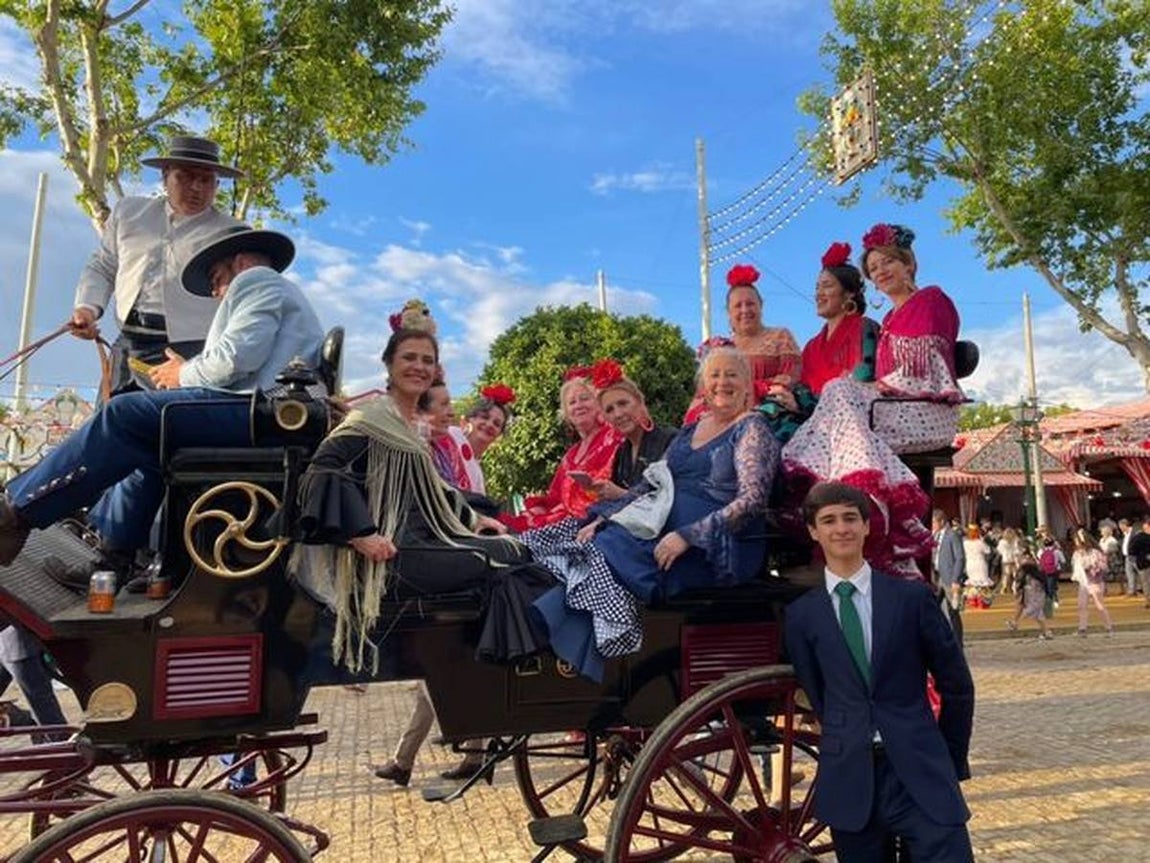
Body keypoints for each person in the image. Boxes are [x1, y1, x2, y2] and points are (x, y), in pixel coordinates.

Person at [0, 226, 323, 573]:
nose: (216, 293)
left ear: (241, 262)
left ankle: (15, 513)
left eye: (216, 280)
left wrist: (180, 375)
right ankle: (111, 562)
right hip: (265, 413)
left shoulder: (255, 279)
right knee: (148, 442)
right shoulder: (278, 292)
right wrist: (187, 372)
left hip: (260, 412)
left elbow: (235, 359)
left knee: (123, 414)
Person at [529, 347, 779, 682]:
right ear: (703, 387)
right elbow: (652, 484)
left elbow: (752, 500)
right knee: (578, 529)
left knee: (601, 549)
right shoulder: (691, 430)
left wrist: (687, 535)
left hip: (715, 547)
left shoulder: (750, 428)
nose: (722, 382)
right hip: (659, 528)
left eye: (731, 374)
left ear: (748, 385)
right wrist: (607, 516)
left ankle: (584, 640)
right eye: (714, 375)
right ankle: (543, 616)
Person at [785, 482, 975, 863]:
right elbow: (818, 694)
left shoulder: (911, 598)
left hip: (921, 773)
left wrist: (948, 758)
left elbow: (956, 685)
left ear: (867, 526)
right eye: (829, 520)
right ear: (813, 531)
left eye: (851, 518)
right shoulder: (801, 616)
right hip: (850, 778)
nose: (841, 529)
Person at [782, 224, 964, 579]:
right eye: (874, 267)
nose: (880, 272)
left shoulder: (930, 299)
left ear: (908, 263)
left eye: (887, 263)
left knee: (839, 390)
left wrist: (871, 388)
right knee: (837, 397)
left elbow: (921, 369)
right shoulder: (890, 319)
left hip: (925, 408)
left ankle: (867, 497)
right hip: (890, 409)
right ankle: (837, 497)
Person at [70, 135, 245, 396]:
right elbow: (104, 266)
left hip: (186, 352)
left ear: (217, 184)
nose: (196, 187)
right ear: (165, 176)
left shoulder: (234, 233)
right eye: (185, 176)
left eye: (206, 180)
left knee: (168, 428)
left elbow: (243, 294)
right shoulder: (128, 213)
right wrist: (86, 309)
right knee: (109, 426)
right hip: (126, 344)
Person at [766, 242, 880, 441]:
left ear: (849, 293)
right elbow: (799, 386)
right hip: (809, 418)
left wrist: (804, 404)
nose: (818, 293)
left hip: (848, 423)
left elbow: (861, 383)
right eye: (817, 287)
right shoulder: (812, 345)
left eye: (827, 286)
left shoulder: (865, 328)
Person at [683, 263, 801, 423]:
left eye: (750, 304)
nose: (745, 310)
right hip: (720, 419)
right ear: (729, 312)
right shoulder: (719, 348)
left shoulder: (780, 336)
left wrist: (746, 394)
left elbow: (789, 379)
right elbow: (704, 393)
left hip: (769, 416)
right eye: (738, 306)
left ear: (761, 306)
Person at [509, 369, 623, 531]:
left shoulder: (614, 436)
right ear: (567, 413)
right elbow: (555, 498)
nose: (579, 405)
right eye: (572, 402)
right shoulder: (570, 456)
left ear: (599, 404)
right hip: (567, 521)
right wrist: (537, 510)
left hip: (601, 521)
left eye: (585, 398)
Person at [581, 359, 677, 502]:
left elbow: (671, 499)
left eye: (623, 403)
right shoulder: (621, 453)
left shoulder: (670, 440)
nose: (618, 414)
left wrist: (622, 494)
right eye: (610, 410)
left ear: (640, 403)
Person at [447, 384, 516, 495]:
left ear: (499, 435)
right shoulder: (450, 435)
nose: (489, 424)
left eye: (497, 424)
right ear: (469, 419)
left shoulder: (478, 477)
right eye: (484, 417)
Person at [1070, 530, 1115, 637]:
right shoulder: (1077, 553)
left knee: (1099, 605)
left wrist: (1092, 567)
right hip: (1083, 582)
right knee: (1082, 605)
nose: (1077, 544)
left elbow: (1103, 567)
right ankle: (1082, 628)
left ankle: (1109, 628)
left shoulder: (1095, 552)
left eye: (1078, 541)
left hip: (1095, 581)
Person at [1005, 551, 1054, 640]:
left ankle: (1015, 623)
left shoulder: (1033, 578)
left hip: (1036, 599)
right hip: (1035, 598)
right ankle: (1047, 632)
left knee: (1031, 612)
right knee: (1039, 617)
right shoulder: (1035, 576)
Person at [932, 510, 966, 613]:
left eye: (934, 522)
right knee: (932, 610)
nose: (932, 525)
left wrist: (955, 579)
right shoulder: (934, 535)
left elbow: (960, 557)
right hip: (936, 577)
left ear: (942, 522)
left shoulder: (952, 535)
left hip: (949, 577)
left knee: (953, 611)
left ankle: (956, 630)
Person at [961, 525, 993, 596]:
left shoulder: (965, 543)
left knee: (972, 583)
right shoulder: (980, 542)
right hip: (980, 563)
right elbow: (988, 551)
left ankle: (973, 599)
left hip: (970, 564)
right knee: (982, 583)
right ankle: (981, 599)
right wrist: (983, 540)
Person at [1129, 515, 1150, 608]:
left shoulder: (1137, 538)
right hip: (1144, 562)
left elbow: (1132, 551)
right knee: (1146, 582)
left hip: (1143, 562)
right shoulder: (1142, 538)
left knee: (1146, 583)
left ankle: (1148, 601)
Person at [997, 527, 1024, 596]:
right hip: (1014, 559)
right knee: (1015, 575)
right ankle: (1014, 588)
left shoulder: (1002, 542)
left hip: (1006, 559)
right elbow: (1018, 550)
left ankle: (1004, 587)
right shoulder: (1015, 540)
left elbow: (999, 551)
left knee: (1006, 575)